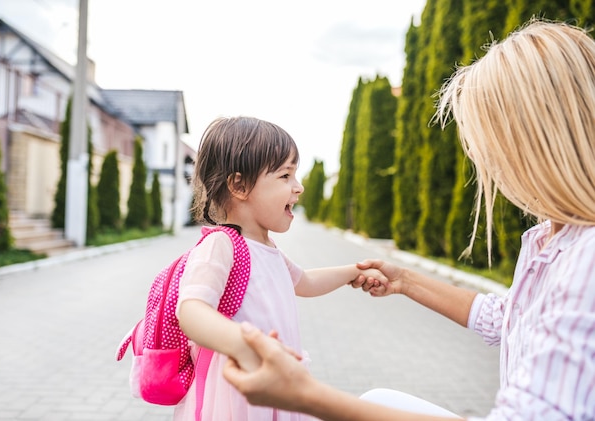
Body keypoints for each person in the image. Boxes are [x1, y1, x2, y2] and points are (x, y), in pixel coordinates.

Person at [222, 19, 595, 420]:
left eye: (490, 141)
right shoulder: (547, 238)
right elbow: (511, 319)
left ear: (537, 138)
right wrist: (404, 280)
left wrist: (309, 396)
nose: (482, 159)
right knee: (377, 400)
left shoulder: (586, 260)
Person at [174, 116, 387, 421]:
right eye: (285, 176)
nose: (298, 187)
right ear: (239, 185)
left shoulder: (269, 249)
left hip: (274, 384)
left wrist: (353, 271)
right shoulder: (221, 245)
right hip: (238, 395)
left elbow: (306, 282)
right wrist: (246, 346)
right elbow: (191, 311)